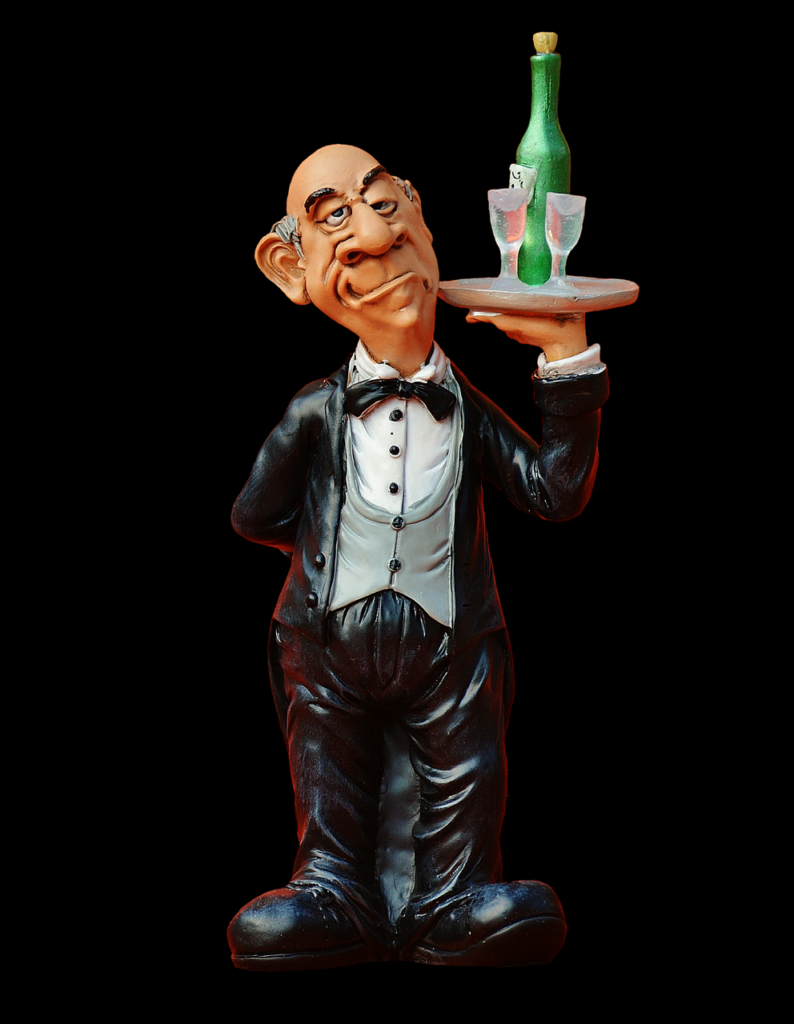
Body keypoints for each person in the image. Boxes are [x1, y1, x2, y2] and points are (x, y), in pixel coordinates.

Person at [227, 144, 608, 969]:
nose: (373, 237)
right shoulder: (313, 413)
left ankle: (455, 896)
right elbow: (254, 514)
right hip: (325, 647)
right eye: (337, 220)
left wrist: (567, 360)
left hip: (452, 645)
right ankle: (332, 889)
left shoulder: (467, 410)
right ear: (292, 270)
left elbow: (554, 491)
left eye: (385, 207)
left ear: (425, 224)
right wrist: (334, 558)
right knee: (328, 765)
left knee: (467, 766)